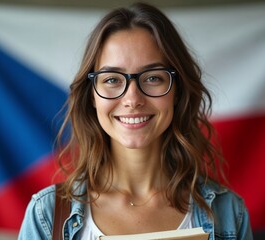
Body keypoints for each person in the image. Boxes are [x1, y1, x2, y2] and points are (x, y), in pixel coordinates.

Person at [19, 2, 252, 240]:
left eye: (152, 77)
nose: (132, 99)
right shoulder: (46, 215)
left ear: (177, 91)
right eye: (112, 80)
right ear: (92, 95)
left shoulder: (229, 213)